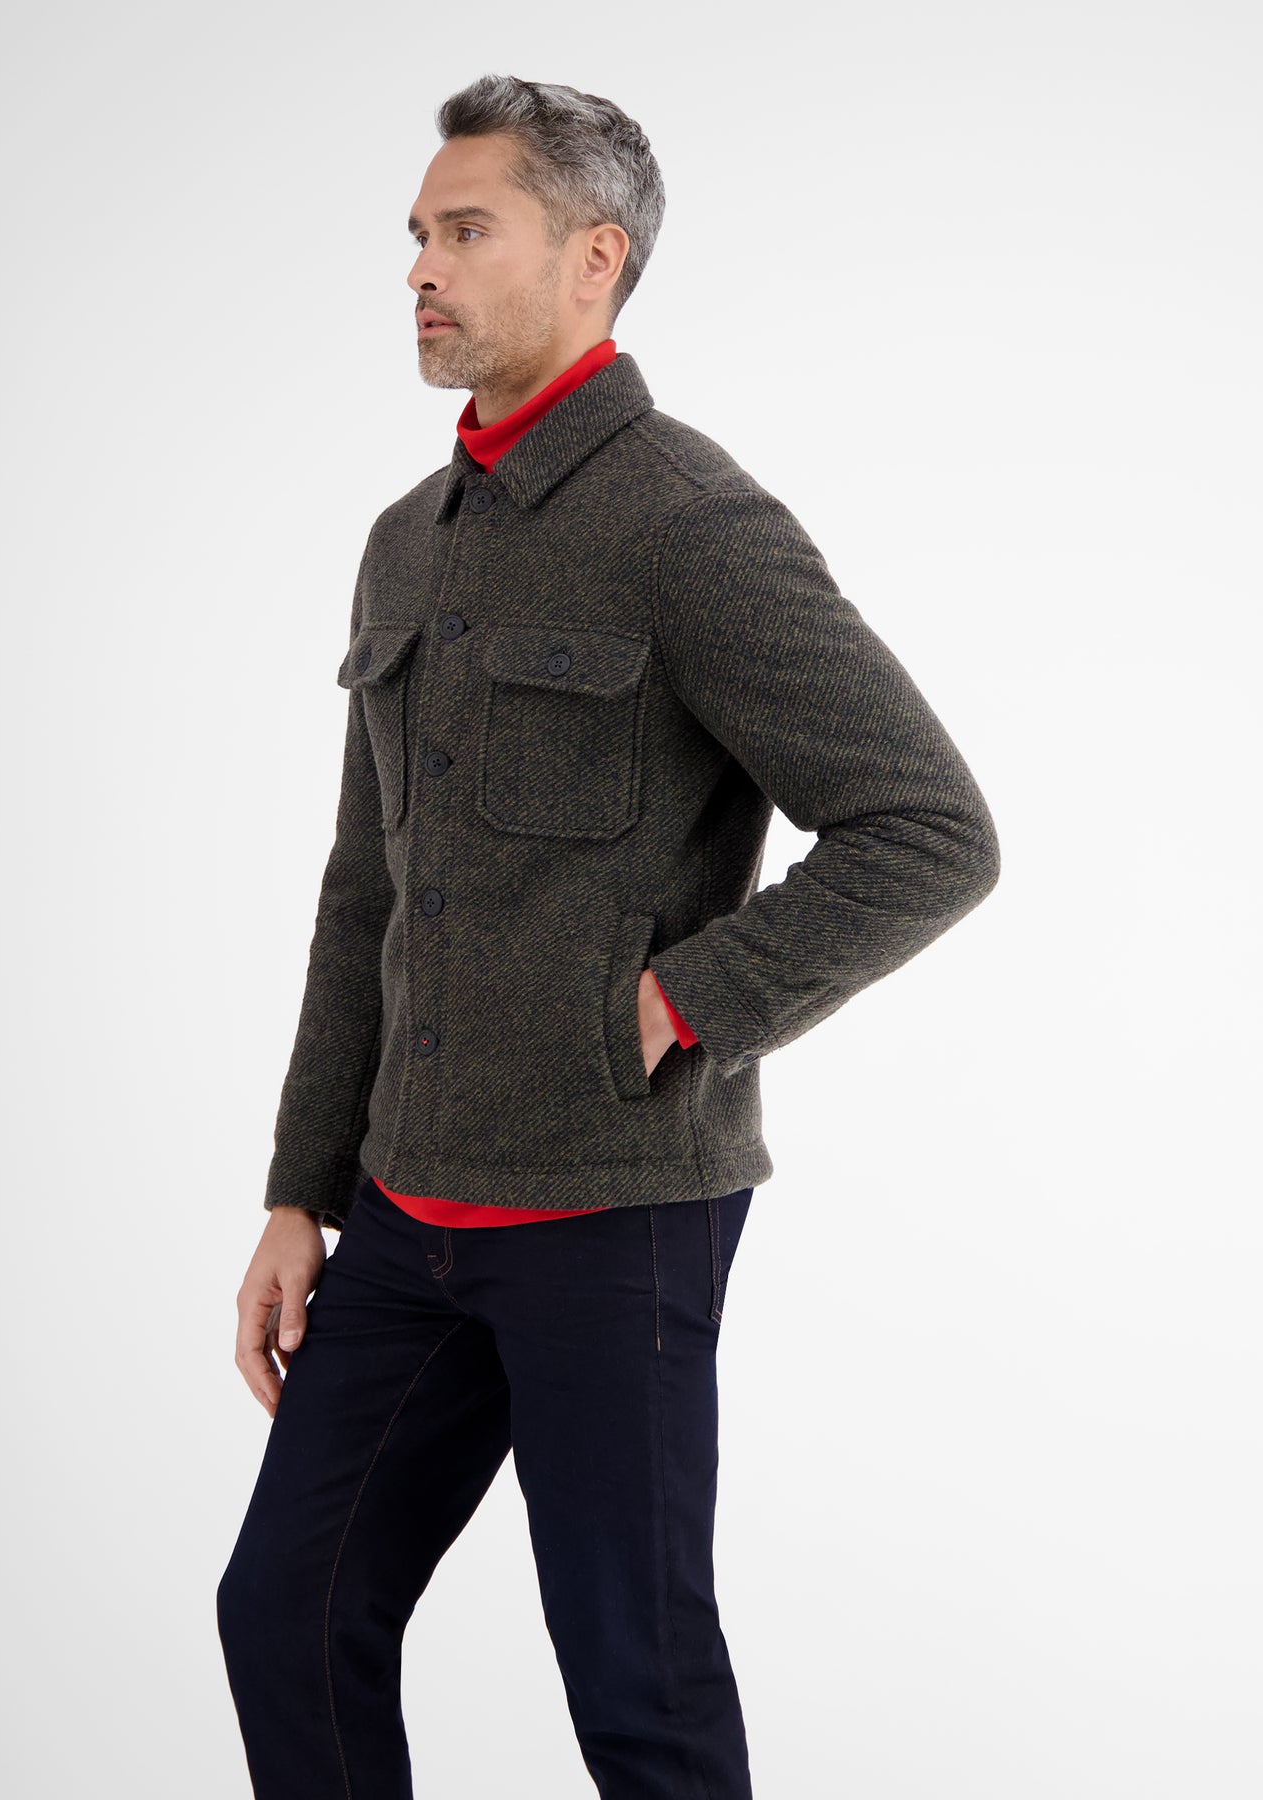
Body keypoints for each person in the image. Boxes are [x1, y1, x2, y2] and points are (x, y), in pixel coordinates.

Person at [216, 72, 1000, 1799]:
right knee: (285, 1610)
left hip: (612, 1218)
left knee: (633, 1685)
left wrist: (679, 1002)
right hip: (403, 1212)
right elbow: (364, 890)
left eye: (464, 230)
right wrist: (299, 1187)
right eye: (416, 234)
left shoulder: (689, 523)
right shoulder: (403, 544)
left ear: (594, 257)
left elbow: (928, 829)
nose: (420, 269)